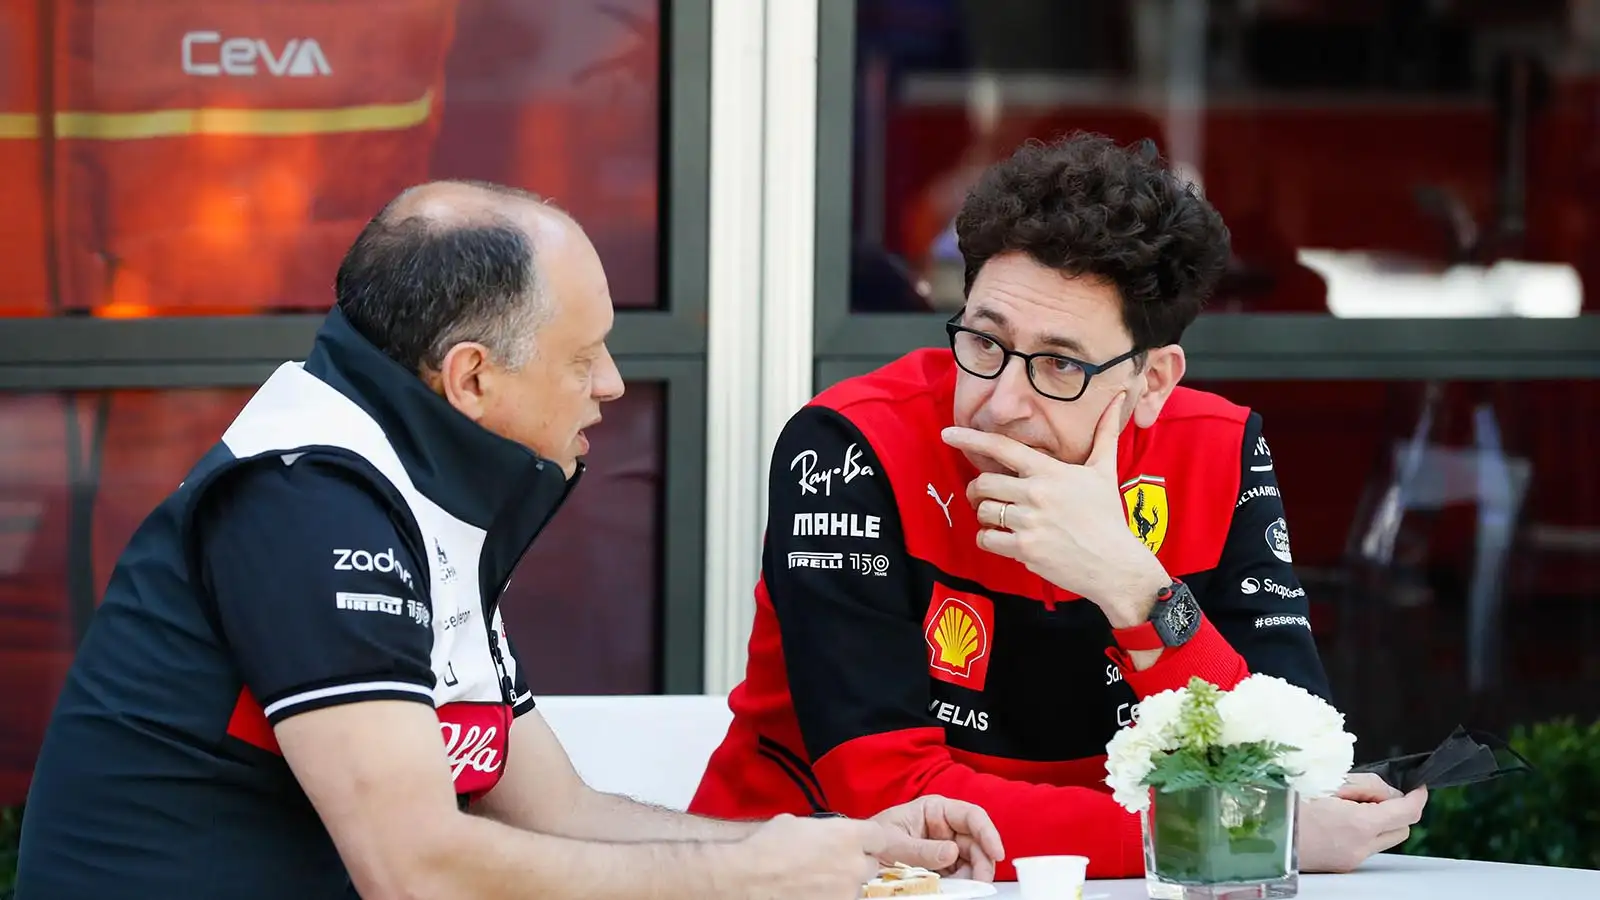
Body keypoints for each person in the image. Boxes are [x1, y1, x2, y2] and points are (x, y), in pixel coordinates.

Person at [14, 181, 1005, 900]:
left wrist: (836, 847)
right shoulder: (312, 501)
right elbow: (415, 867)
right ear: (472, 379)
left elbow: (553, 810)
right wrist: (747, 874)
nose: (615, 384)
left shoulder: (407, 483)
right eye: (585, 357)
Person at [689, 133, 1429, 879]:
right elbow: (892, 801)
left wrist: (1134, 588)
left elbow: (1290, 761)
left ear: (1152, 383)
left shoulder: (1220, 451)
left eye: (1059, 365)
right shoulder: (849, 445)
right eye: (983, 342)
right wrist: (1231, 835)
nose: (1001, 402)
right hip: (808, 884)